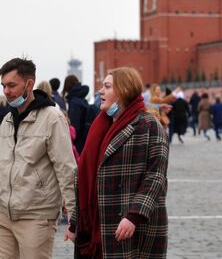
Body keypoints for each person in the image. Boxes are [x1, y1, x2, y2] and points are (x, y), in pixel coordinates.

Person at [69, 67, 168, 259]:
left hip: (131, 225)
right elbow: (86, 177)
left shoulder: (148, 125)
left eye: (107, 87)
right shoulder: (101, 125)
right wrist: (75, 223)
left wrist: (134, 216)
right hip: (95, 228)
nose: (100, 91)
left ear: (123, 90)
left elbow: (156, 176)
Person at [0, 58, 77, 259]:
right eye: (3, 86)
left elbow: (66, 168)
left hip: (36, 216)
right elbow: (3, 165)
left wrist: (74, 213)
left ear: (29, 84)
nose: (6, 91)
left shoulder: (52, 118)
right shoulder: (7, 120)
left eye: (12, 85)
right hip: (2, 215)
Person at [63, 75, 94, 155]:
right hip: (85, 139)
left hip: (78, 143)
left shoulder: (74, 103)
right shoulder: (82, 100)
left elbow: (74, 127)